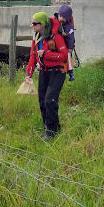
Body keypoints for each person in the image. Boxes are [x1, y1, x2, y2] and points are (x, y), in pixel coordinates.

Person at [25, 11, 68, 141]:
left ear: (42, 24)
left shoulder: (56, 36)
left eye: (35, 23)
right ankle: (50, 127)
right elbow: (33, 55)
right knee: (42, 101)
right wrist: (28, 74)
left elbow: (64, 56)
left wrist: (47, 54)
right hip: (44, 71)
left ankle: (51, 132)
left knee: (50, 100)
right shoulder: (37, 37)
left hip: (58, 71)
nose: (32, 26)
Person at [54, 5, 76, 82]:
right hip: (57, 45)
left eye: (64, 17)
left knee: (68, 57)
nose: (61, 19)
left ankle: (71, 72)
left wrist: (70, 48)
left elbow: (71, 38)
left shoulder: (69, 27)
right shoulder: (55, 22)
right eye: (60, 16)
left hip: (66, 46)